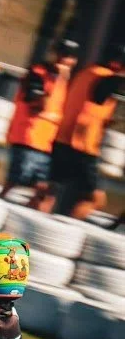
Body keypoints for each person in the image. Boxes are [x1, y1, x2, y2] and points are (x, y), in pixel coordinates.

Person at [36, 42, 125, 220]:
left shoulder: (86, 72)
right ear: (117, 63)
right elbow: (98, 99)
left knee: (49, 190)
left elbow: (89, 105)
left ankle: (31, 225)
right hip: (83, 146)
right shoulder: (107, 78)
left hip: (62, 138)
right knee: (94, 198)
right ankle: (67, 231)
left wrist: (107, 121)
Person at [3, 39, 79, 208]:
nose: (64, 60)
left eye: (69, 57)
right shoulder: (38, 72)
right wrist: (57, 79)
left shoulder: (66, 81)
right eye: (62, 54)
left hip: (46, 142)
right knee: (15, 182)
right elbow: (38, 104)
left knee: (44, 189)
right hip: (28, 137)